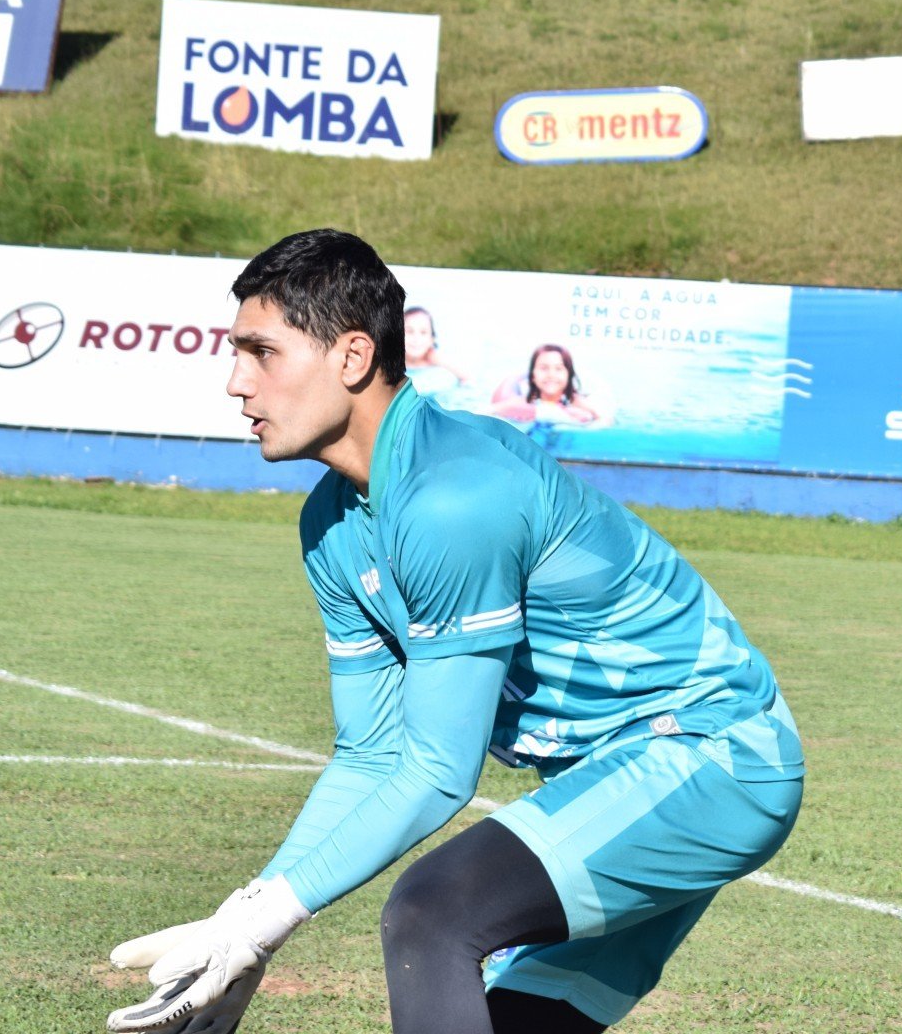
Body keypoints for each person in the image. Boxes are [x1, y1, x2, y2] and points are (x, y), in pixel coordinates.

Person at [105, 229, 803, 1034]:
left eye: (261, 352)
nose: (236, 382)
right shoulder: (331, 524)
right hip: (615, 780)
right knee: (508, 1018)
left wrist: (264, 925)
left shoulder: (450, 495)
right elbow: (371, 752)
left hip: (714, 757)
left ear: (353, 356)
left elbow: (438, 769)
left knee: (435, 913)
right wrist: (245, 923)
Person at [488, 342, 606, 426]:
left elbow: (603, 418)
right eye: (543, 368)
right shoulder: (520, 402)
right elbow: (486, 411)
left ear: (568, 375)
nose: (551, 374)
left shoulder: (578, 403)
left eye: (559, 369)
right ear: (533, 376)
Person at [401, 304, 469, 401]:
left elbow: (466, 379)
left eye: (423, 332)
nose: (416, 338)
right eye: (409, 331)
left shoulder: (439, 364)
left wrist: (441, 360)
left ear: (432, 340)